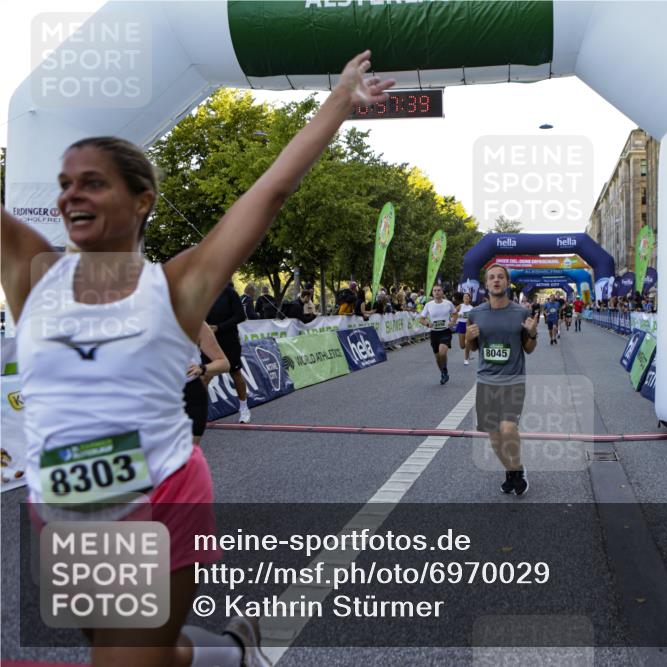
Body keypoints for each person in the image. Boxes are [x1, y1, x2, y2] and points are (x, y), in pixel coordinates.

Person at [1, 49, 394, 667]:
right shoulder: (31, 274)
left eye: (93, 182)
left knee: (127, 657)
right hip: (61, 505)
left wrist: (339, 101)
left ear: (142, 201)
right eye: (66, 183)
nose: (72, 193)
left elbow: (273, 189)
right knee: (122, 645)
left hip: (158, 496)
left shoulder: (177, 285)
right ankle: (233, 652)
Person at [465, 264, 538, 495]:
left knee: (507, 428)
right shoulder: (475, 314)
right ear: (486, 284)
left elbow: (529, 349)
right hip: (486, 382)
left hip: (513, 381)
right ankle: (514, 470)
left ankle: (515, 469)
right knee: (495, 438)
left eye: (500, 277)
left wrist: (533, 334)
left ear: (507, 283)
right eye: (491, 277)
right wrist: (468, 338)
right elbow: (472, 347)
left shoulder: (521, 313)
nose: (496, 280)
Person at [207, 281, 251, 423]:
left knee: (235, 373)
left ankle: (244, 409)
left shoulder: (229, 292)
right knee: (205, 375)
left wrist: (218, 328)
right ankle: (201, 411)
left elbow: (240, 316)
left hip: (229, 340)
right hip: (209, 342)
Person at [184, 323, 230, 446]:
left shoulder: (194, 321)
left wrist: (202, 368)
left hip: (190, 395)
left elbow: (224, 363)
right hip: (152, 398)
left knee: (186, 458)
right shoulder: (137, 319)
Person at [419, 284, 458, 384]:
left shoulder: (448, 303)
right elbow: (421, 319)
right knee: (437, 358)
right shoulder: (429, 305)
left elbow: (455, 313)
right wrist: (428, 323)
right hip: (434, 333)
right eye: (435, 290)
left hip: (445, 331)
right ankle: (443, 373)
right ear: (432, 293)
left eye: (439, 290)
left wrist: (452, 322)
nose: (436, 292)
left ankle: (444, 369)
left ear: (442, 292)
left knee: (442, 352)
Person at [455, 291, 475, 366]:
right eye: (465, 297)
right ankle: (468, 350)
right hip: (461, 325)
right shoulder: (460, 306)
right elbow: (452, 313)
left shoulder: (472, 308)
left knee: (468, 342)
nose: (466, 298)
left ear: (469, 299)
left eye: (467, 297)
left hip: (468, 325)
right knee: (462, 346)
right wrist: (458, 315)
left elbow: (474, 317)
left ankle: (466, 359)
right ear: (463, 299)